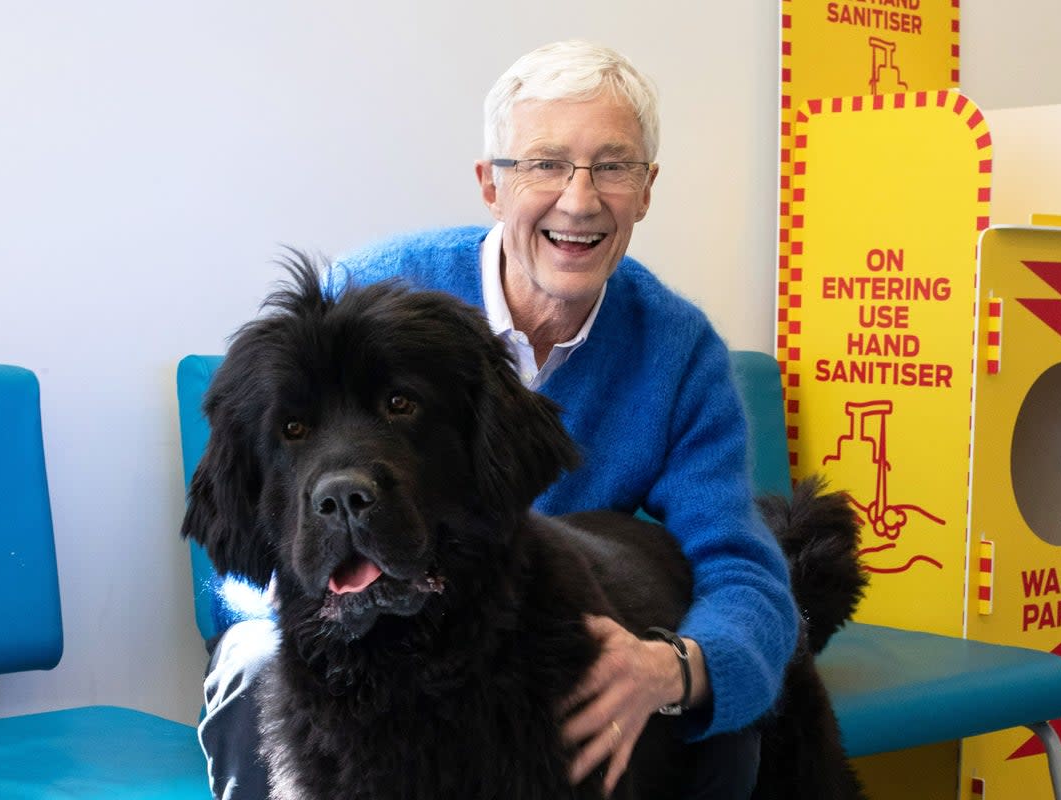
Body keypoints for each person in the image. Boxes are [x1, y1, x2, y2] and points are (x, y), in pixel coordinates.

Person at [198, 39, 798, 799]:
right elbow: (251, 517)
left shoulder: (678, 352)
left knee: (713, 723)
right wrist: (328, 593)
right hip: (336, 636)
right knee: (258, 660)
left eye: (612, 167)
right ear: (491, 184)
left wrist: (672, 670)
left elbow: (741, 569)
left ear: (646, 189)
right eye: (545, 163)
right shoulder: (360, 298)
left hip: (528, 625)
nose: (579, 200)